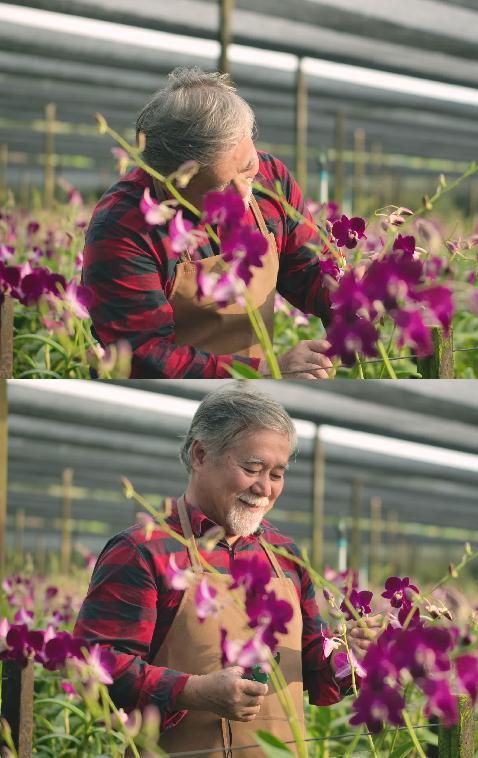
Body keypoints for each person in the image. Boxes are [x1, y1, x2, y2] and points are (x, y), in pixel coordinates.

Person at [76, 383, 381, 755]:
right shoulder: (143, 550)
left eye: (277, 474)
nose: (264, 488)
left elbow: (315, 677)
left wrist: (351, 654)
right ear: (200, 454)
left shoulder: (285, 555)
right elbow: (97, 667)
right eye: (252, 468)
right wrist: (194, 692)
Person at [82, 68, 338, 379]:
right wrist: (270, 371)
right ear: (170, 179)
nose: (244, 193)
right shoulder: (122, 227)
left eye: (247, 168)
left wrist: (344, 302)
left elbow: (305, 268)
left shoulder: (271, 178)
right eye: (219, 190)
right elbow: (146, 353)